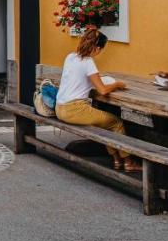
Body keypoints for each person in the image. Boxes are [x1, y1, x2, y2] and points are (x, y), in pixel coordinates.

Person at [55, 27, 138, 172]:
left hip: (59, 108)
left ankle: (118, 160)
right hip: (74, 110)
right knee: (115, 123)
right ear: (97, 48)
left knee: (104, 121)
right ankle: (128, 162)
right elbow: (103, 90)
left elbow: (81, 79)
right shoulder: (88, 62)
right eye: (101, 49)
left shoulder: (70, 57)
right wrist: (118, 84)